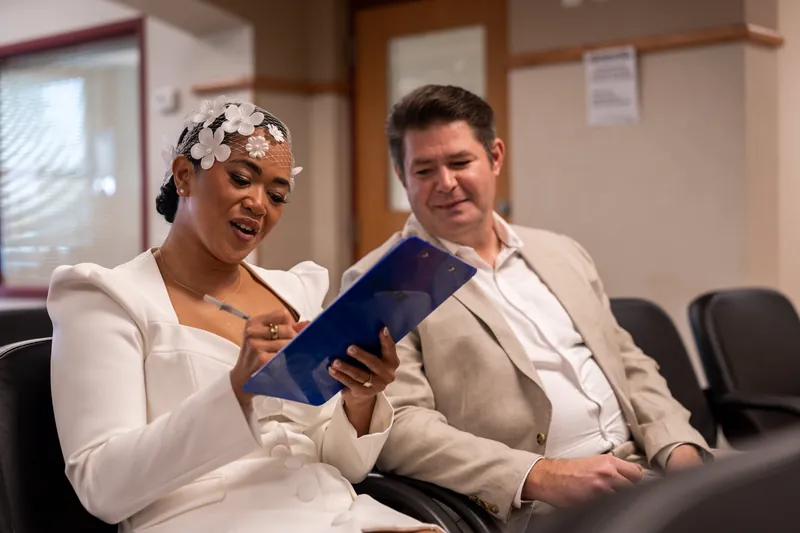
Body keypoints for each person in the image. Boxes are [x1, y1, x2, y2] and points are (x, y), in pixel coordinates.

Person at [48, 97, 440, 533]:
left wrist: (361, 398)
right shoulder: (106, 296)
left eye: (277, 195)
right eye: (240, 179)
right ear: (184, 176)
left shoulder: (294, 292)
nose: (259, 204)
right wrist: (236, 390)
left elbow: (343, 465)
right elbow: (102, 487)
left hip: (339, 514)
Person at [341, 85, 713, 530]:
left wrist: (680, 450)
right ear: (402, 176)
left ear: (495, 157)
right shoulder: (385, 281)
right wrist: (539, 475)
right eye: (424, 169)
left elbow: (628, 364)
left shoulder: (561, 251)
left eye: (461, 162)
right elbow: (399, 426)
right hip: (540, 502)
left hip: (645, 470)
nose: (445, 183)